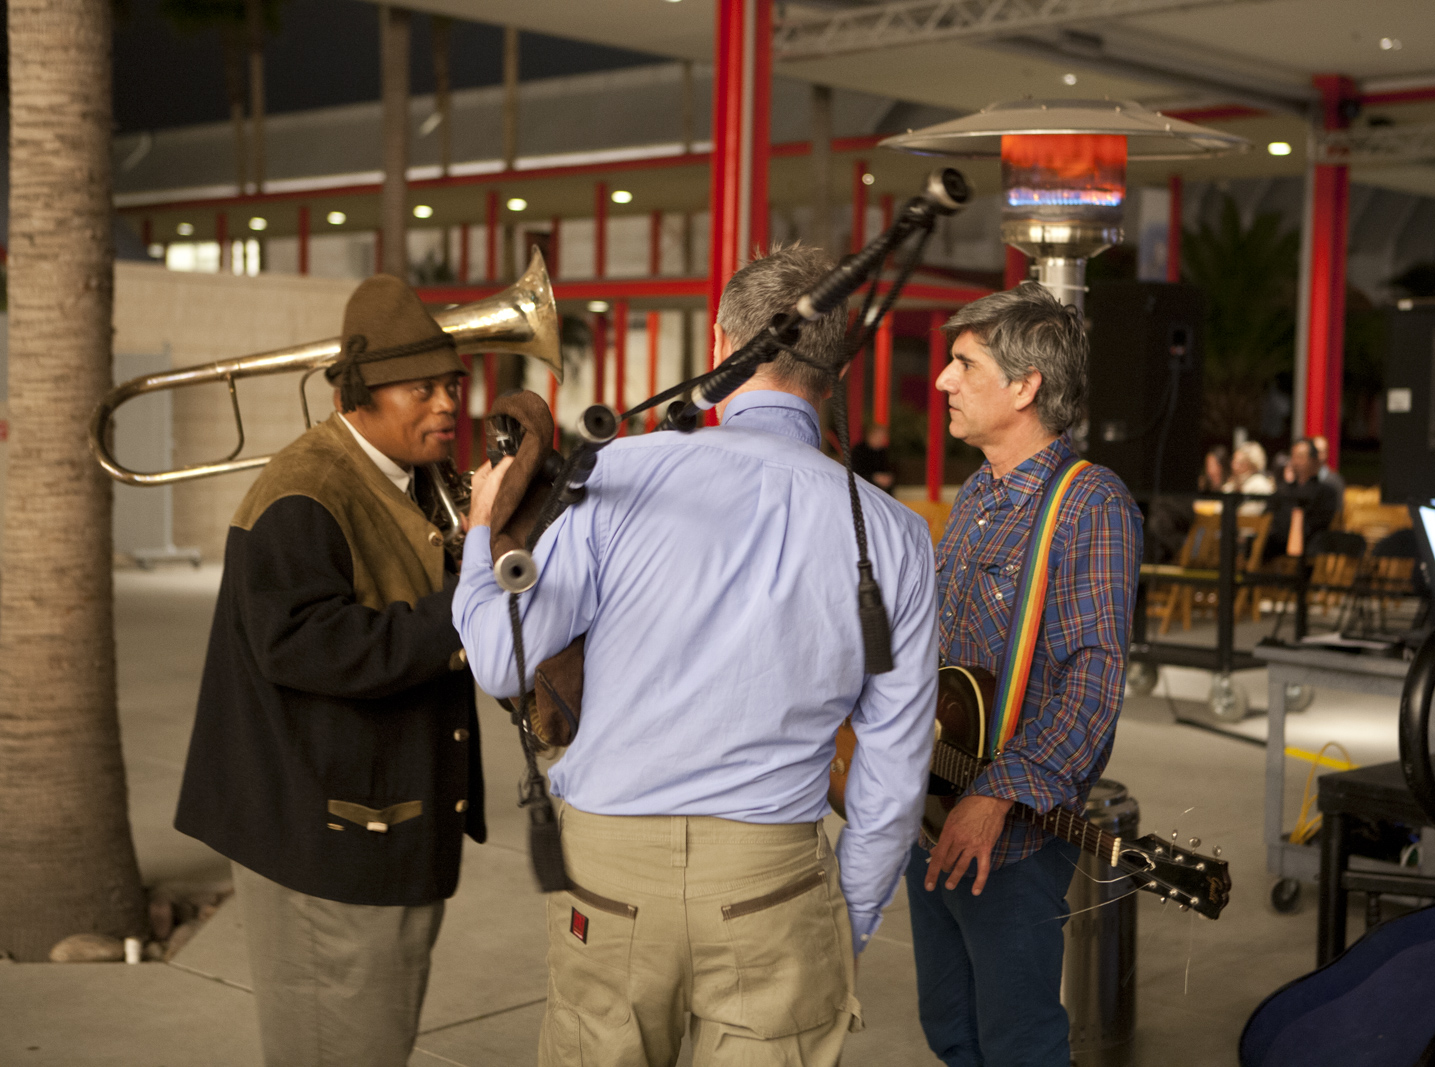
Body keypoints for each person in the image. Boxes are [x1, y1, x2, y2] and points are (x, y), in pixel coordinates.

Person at [454, 245, 938, 1066]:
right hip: (774, 879)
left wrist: (479, 532)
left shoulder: (618, 472)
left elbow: (502, 662)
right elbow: (894, 767)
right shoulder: (889, 531)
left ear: (720, 344)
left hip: (605, 873)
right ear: (834, 371)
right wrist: (844, 919)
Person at [174, 275, 483, 1067]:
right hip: (327, 848)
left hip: (378, 836)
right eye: (423, 388)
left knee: (373, 1043)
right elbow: (308, 644)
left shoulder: (405, 478)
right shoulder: (303, 493)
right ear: (360, 395)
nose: (449, 404)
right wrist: (465, 606)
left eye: (452, 385)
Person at [911, 282, 1142, 1067]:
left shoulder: (1089, 504)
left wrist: (997, 793)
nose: (942, 379)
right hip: (936, 805)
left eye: (963, 363)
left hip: (1007, 832)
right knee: (950, 1027)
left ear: (1025, 385)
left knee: (1020, 1043)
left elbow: (1094, 679)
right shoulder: (978, 493)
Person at [1263, 437, 1342, 561]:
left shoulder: (1326, 492)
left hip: (1309, 546)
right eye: (1293, 457)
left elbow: (1319, 524)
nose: (1295, 462)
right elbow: (1268, 514)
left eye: (1300, 457)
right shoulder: (1283, 490)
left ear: (1313, 460)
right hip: (1277, 543)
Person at [1224, 440, 1275, 516]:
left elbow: (1248, 516)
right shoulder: (1232, 484)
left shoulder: (1260, 485)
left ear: (1252, 465)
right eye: (1234, 461)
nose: (1234, 466)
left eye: (1240, 463)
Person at [851, 421, 896, 493]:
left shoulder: (883, 452)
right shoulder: (859, 451)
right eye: (879, 436)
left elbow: (889, 470)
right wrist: (874, 478)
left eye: (883, 436)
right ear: (871, 435)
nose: (881, 439)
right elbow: (855, 471)